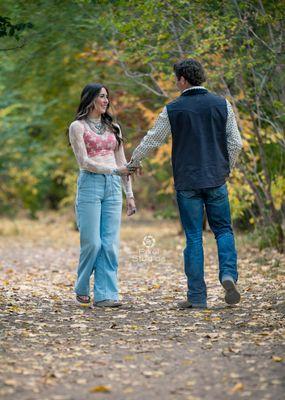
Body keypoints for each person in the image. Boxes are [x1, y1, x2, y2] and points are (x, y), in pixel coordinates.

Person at [122, 59, 243, 309]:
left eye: (176, 78)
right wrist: (225, 169)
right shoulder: (222, 105)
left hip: (187, 182)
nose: (175, 82)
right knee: (223, 230)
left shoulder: (173, 109)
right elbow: (236, 143)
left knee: (194, 237)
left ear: (183, 80)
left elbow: (153, 139)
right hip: (215, 179)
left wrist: (133, 162)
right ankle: (228, 275)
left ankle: (197, 297)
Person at [69, 83, 136, 308]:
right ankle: (81, 286)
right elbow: (84, 162)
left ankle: (106, 294)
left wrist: (130, 195)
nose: (106, 101)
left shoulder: (114, 128)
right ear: (90, 100)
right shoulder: (77, 127)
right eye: (101, 96)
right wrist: (115, 171)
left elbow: (123, 164)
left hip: (113, 187)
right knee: (93, 243)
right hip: (90, 185)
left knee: (109, 244)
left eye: (107, 97)